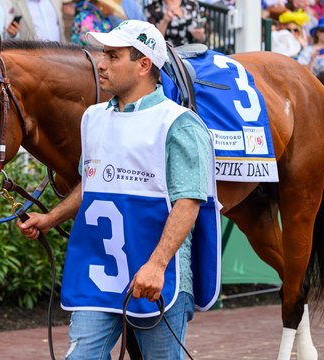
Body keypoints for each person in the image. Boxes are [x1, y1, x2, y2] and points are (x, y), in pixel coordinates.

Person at [17, 19, 212, 359]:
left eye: (112, 55)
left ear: (143, 65)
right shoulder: (92, 118)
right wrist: (51, 217)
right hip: (98, 279)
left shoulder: (179, 124)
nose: (101, 64)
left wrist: (157, 264)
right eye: (102, 54)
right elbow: (91, 183)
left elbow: (188, 203)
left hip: (157, 278)